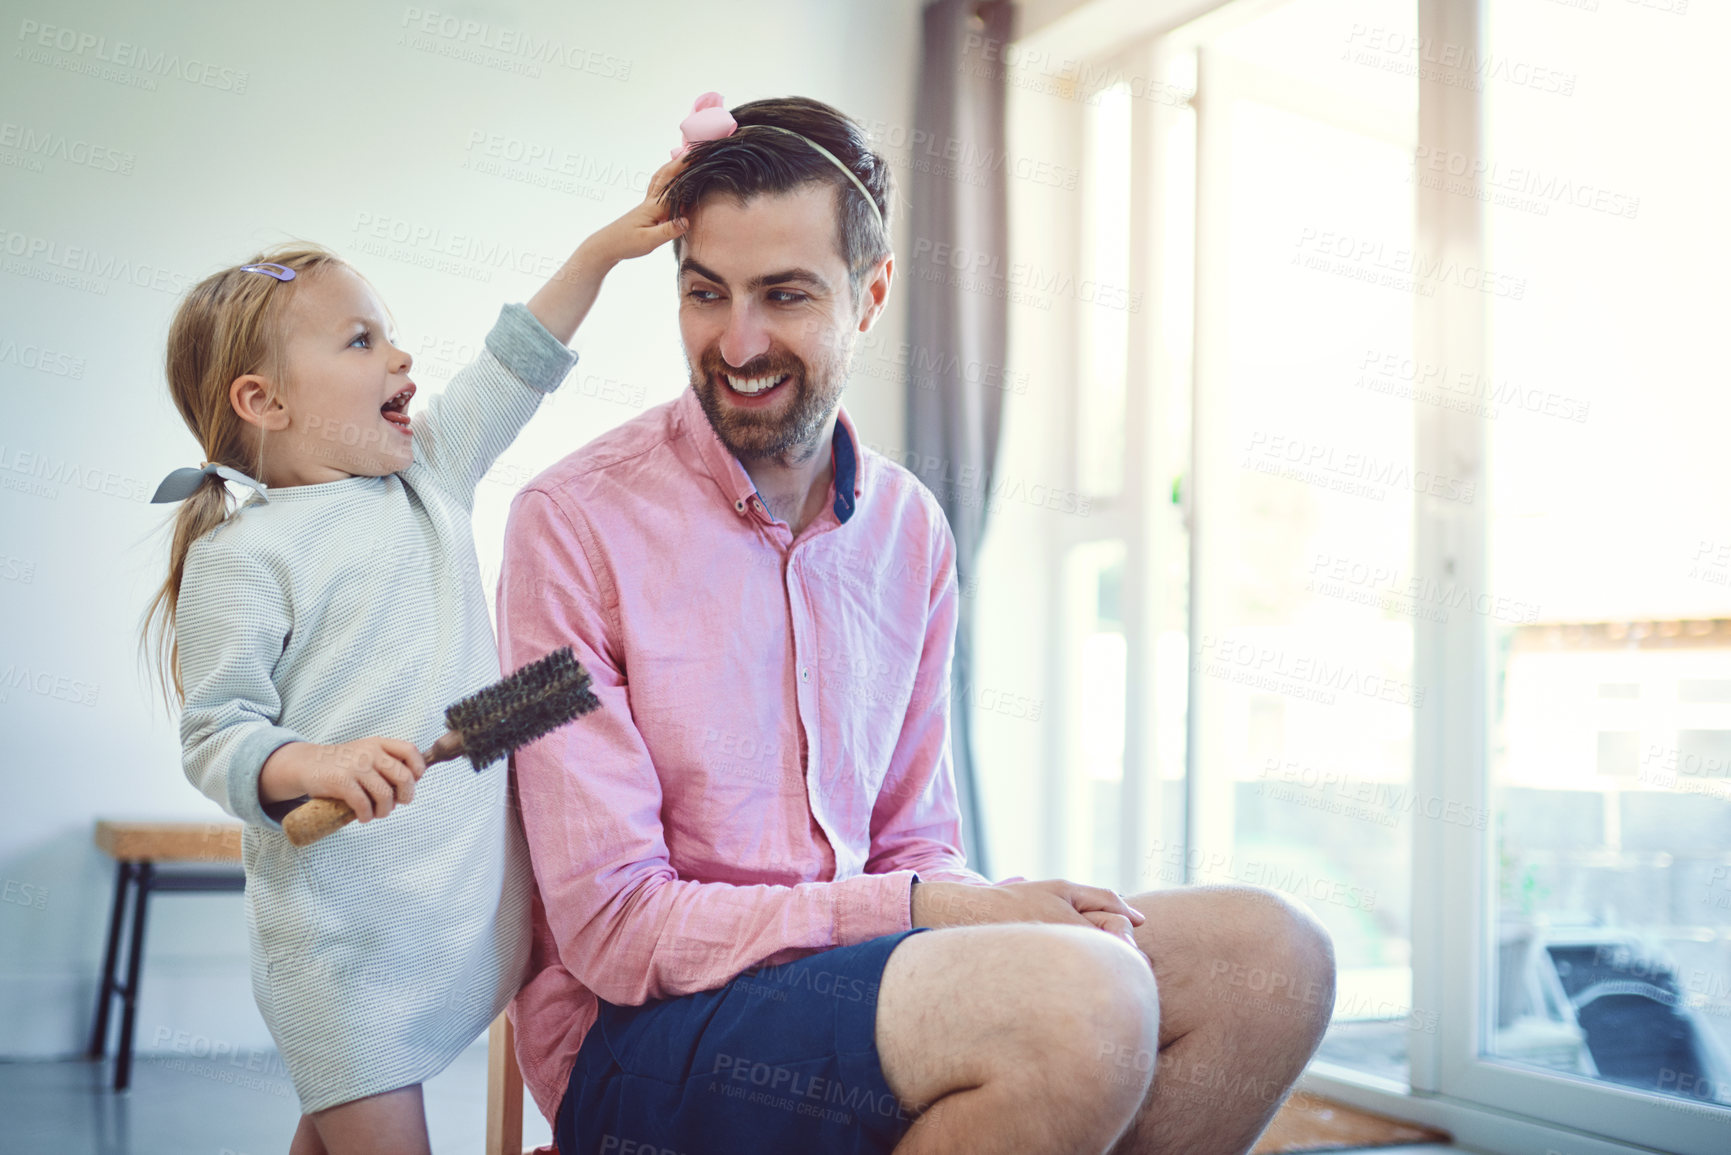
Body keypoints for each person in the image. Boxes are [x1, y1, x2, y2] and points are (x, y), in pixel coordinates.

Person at [498, 95, 1336, 1155]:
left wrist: (955, 907)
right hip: (642, 1038)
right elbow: (617, 930)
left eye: (785, 294)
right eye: (706, 293)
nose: (737, 340)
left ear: (871, 294)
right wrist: (928, 913)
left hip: (853, 988)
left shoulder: (908, 530)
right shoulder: (570, 524)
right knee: (1083, 1008)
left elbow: (912, 841)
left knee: (1271, 961)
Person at [139, 157, 691, 1155]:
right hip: (345, 945)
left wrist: (605, 252)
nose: (403, 359)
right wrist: (317, 764)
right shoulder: (244, 552)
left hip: (458, 911)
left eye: (389, 333)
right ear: (264, 403)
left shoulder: (427, 475)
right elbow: (219, 735)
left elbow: (513, 363)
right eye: (363, 341)